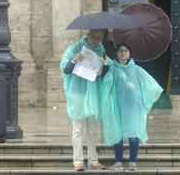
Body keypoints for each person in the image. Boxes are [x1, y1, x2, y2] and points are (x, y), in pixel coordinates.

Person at [101, 43, 163, 171]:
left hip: (133, 107)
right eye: (120, 51)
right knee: (117, 133)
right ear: (116, 53)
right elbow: (106, 84)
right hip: (116, 106)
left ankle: (132, 162)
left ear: (129, 54)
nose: (123, 53)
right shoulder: (112, 68)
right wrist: (106, 67)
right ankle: (118, 161)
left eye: (125, 51)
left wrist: (140, 95)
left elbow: (151, 85)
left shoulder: (137, 70)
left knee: (133, 133)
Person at [60, 30, 108, 171]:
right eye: (95, 38)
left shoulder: (101, 49)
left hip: (92, 93)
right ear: (89, 36)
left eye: (100, 39)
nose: (97, 41)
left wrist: (102, 70)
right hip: (78, 93)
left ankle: (93, 160)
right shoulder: (74, 48)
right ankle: (78, 161)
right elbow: (65, 70)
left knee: (92, 130)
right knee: (78, 129)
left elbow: (105, 69)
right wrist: (74, 59)